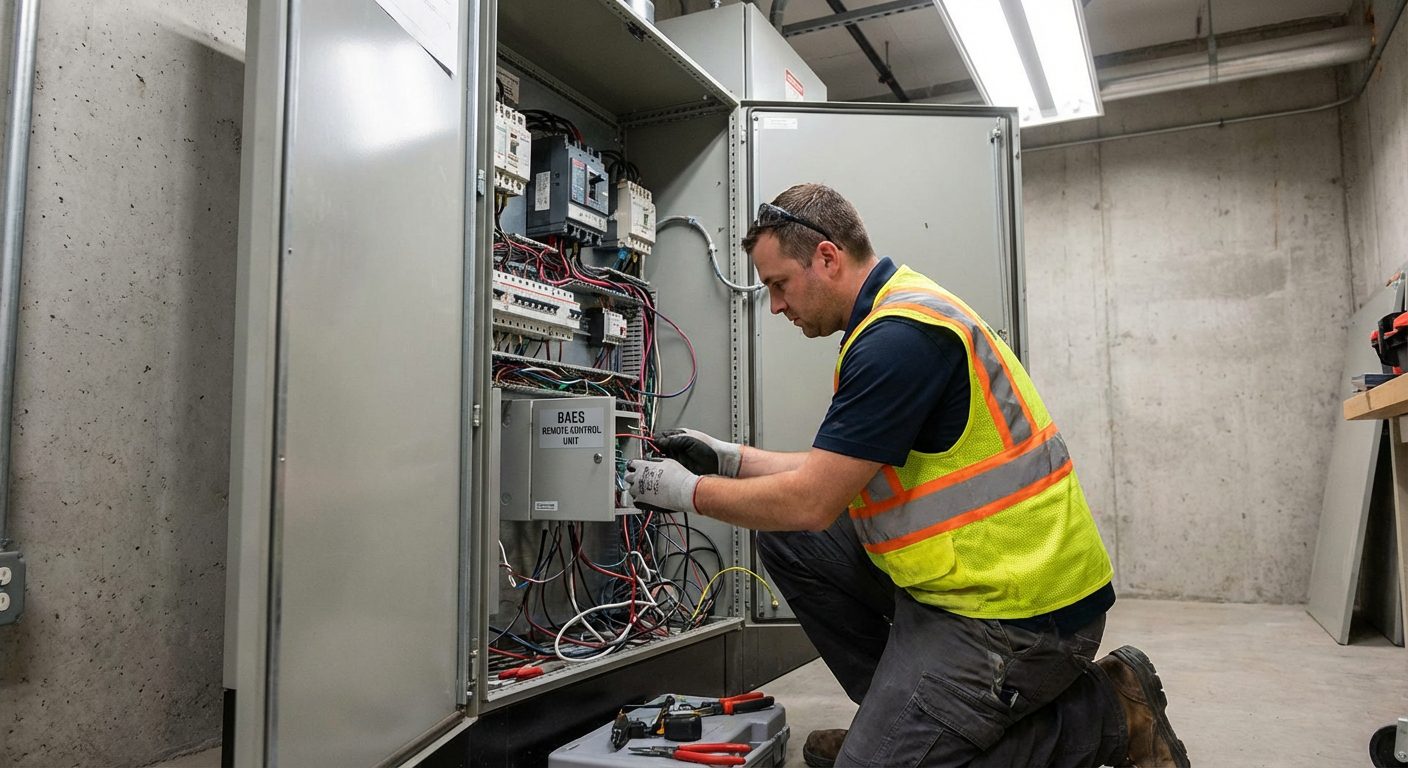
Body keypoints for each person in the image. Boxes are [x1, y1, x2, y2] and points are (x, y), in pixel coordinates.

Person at [624, 183, 1189, 768]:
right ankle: (900, 722)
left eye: (778, 285)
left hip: (1022, 616)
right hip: (968, 585)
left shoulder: (898, 339)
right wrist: (727, 458)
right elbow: (835, 471)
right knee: (792, 543)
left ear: (826, 257)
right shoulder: (893, 313)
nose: (774, 306)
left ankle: (1110, 715)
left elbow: (814, 500)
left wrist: (682, 492)